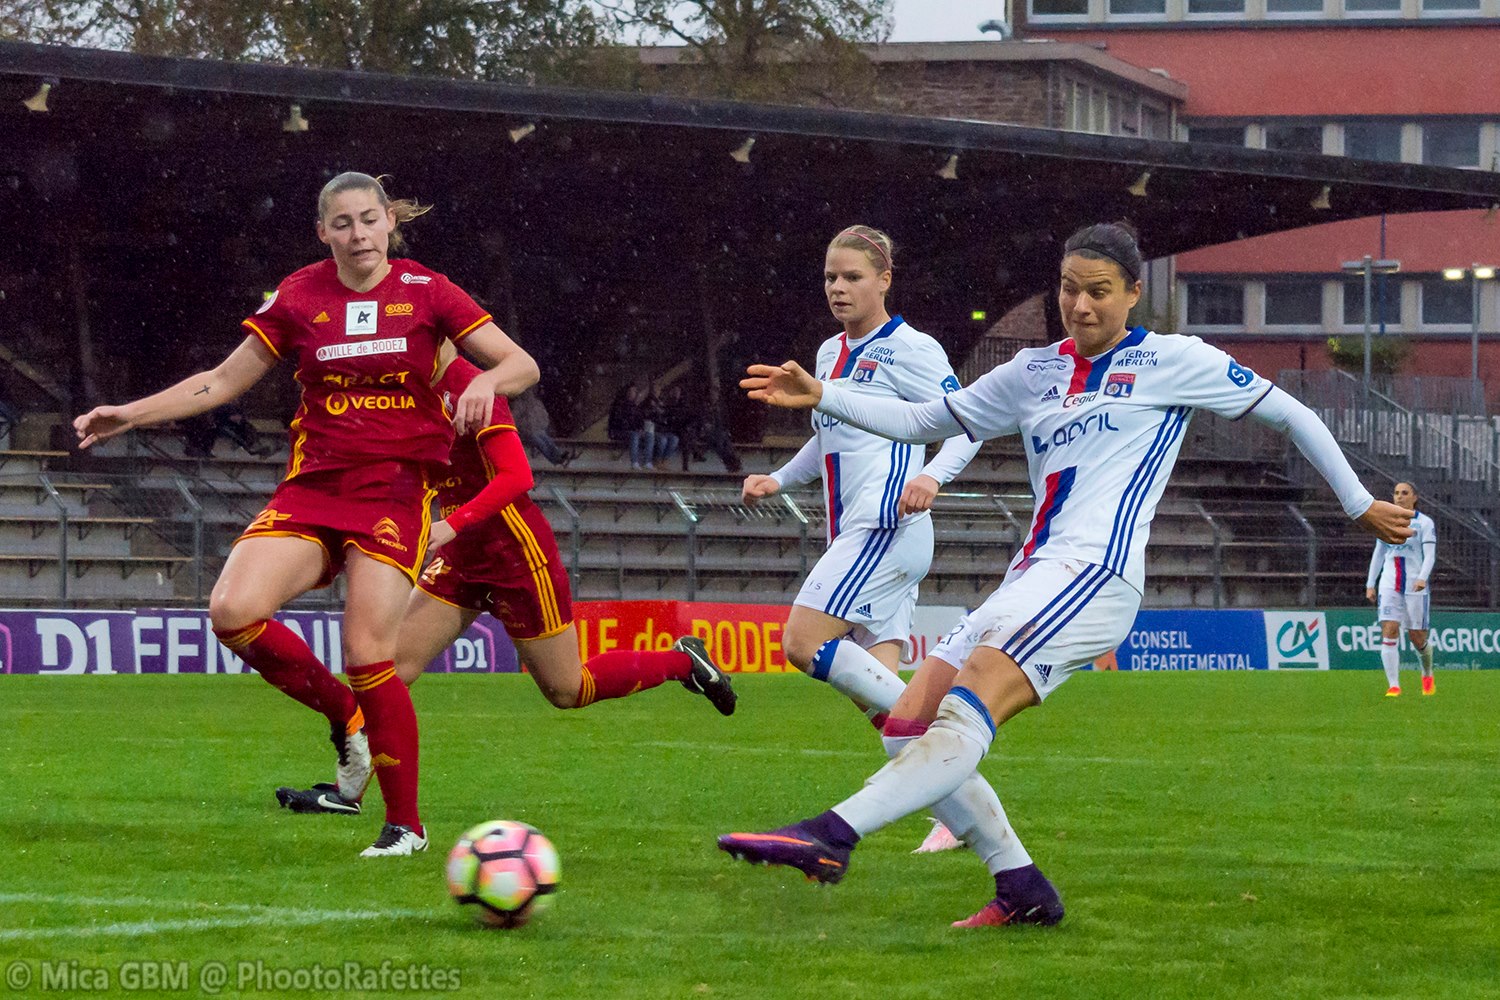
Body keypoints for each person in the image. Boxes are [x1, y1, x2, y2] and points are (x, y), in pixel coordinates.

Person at [719, 221, 1413, 926]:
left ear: (1134, 293)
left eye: (1099, 293)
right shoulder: (1034, 370)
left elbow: (1291, 414)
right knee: (907, 721)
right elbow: (927, 418)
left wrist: (1357, 504)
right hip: (1031, 576)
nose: (1080, 307)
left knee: (971, 701)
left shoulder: (1175, 360)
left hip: (1096, 575)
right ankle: (1020, 886)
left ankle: (829, 837)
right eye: (1068, 290)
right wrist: (824, 395)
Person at [74, 171, 541, 858]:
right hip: (314, 487)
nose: (358, 235)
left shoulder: (428, 290)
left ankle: (405, 827)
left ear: (389, 223)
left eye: (369, 220)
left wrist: (488, 386)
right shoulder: (298, 294)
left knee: (366, 652)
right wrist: (129, 415)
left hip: (394, 490)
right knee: (232, 610)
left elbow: (520, 363)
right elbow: (222, 381)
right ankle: (345, 716)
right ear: (323, 232)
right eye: (343, 223)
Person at [275, 343, 735, 843]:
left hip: (516, 556)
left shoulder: (473, 386)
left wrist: (451, 525)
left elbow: (518, 476)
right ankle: (348, 793)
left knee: (567, 690)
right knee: (383, 669)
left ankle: (683, 663)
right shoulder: (398, 392)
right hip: (460, 559)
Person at [740, 225, 981, 851]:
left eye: (852, 276)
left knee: (802, 640)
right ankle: (952, 806)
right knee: (881, 705)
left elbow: (968, 425)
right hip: (857, 532)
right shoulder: (826, 354)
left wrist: (931, 474)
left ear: (884, 280)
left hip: (886, 527)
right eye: (830, 277)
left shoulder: (912, 348)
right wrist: (780, 477)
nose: (839, 288)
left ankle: (951, 761)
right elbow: (830, 434)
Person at [1365, 481, 1438, 696]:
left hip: (1415, 585)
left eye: (1404, 493)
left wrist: (1423, 578)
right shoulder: (1387, 521)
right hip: (1389, 582)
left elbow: (1430, 555)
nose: (1399, 497)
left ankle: (1427, 674)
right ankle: (1394, 685)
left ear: (1414, 497)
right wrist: (1371, 583)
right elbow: (1379, 554)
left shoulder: (1425, 523)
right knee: (1389, 629)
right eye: (1396, 493)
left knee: (1417, 637)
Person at [510, 387, 576, 468]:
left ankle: (558, 455)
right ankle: (555, 458)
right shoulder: (520, 404)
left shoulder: (530, 403)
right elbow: (514, 418)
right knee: (540, 442)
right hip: (526, 431)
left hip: (532, 428)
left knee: (545, 439)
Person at [608, 381, 655, 469]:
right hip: (618, 431)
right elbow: (619, 421)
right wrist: (634, 429)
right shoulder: (619, 405)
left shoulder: (634, 406)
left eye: (635, 391)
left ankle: (647, 462)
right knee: (634, 435)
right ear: (627, 392)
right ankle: (634, 462)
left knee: (649, 435)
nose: (635, 393)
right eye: (633, 391)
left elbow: (639, 420)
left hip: (631, 431)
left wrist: (641, 428)